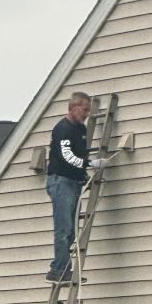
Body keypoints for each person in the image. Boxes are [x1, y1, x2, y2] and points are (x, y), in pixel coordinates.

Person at [46, 92, 108, 283]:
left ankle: (61, 268)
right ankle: (60, 270)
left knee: (71, 231)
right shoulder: (63, 129)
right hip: (61, 182)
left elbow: (77, 156)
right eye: (85, 109)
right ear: (73, 107)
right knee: (63, 229)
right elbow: (67, 157)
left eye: (89, 110)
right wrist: (90, 164)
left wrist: (83, 176)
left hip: (72, 182)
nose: (87, 113)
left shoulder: (80, 129)